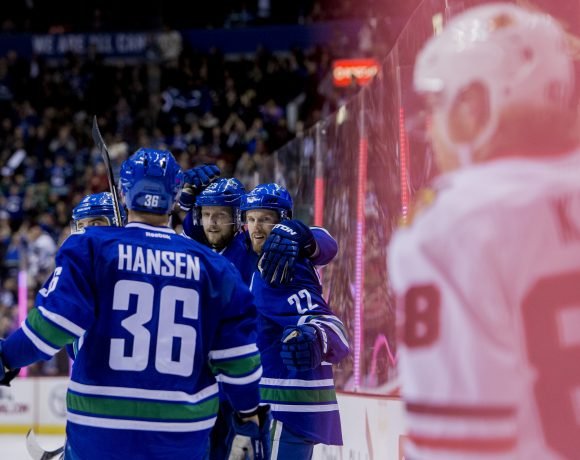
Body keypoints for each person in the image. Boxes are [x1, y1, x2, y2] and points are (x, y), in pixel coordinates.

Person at [388, 4, 580, 459]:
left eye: (437, 104)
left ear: (475, 105)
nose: (431, 126)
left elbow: (453, 445)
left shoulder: (452, 225)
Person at [0, 147, 269, 460]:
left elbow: (51, 326)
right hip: (180, 433)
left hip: (100, 431)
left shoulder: (89, 248)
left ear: (124, 194)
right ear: (174, 198)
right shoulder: (214, 266)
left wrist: (6, 358)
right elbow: (238, 358)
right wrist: (248, 414)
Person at [180, 174, 340, 459]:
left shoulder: (266, 256)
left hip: (269, 398)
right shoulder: (214, 255)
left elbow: (325, 244)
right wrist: (185, 205)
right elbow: (193, 236)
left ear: (234, 219)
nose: (212, 222)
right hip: (227, 394)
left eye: (220, 214)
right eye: (206, 214)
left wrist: (300, 234)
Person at [241, 183, 350, 460]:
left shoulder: (283, 266)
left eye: (265, 219)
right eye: (251, 219)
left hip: (284, 408)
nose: (256, 228)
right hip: (271, 406)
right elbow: (324, 241)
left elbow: (330, 328)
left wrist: (314, 337)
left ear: (283, 222)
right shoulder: (255, 258)